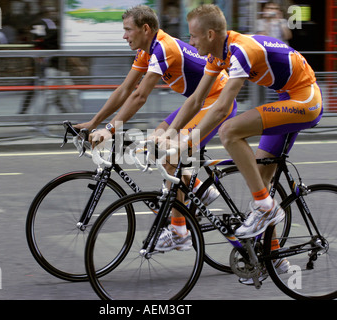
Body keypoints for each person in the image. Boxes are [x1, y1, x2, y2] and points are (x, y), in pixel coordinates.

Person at [75, 5, 237, 251]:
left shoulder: (163, 48)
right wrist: (93, 123)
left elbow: (140, 96)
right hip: (198, 103)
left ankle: (179, 231)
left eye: (128, 30)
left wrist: (109, 130)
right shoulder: (146, 51)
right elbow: (125, 90)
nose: (124, 35)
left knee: (170, 153)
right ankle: (197, 189)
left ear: (145, 29)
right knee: (155, 144)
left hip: (216, 102)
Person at [158, 4, 322, 242]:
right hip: (287, 97)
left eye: (193, 36)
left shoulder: (241, 51)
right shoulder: (217, 55)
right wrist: (171, 133)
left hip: (305, 99)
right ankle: (274, 258)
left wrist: (185, 143)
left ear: (210, 35)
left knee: (229, 131)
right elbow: (196, 100)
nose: (190, 42)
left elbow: (222, 108)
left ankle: (266, 208)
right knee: (260, 180)